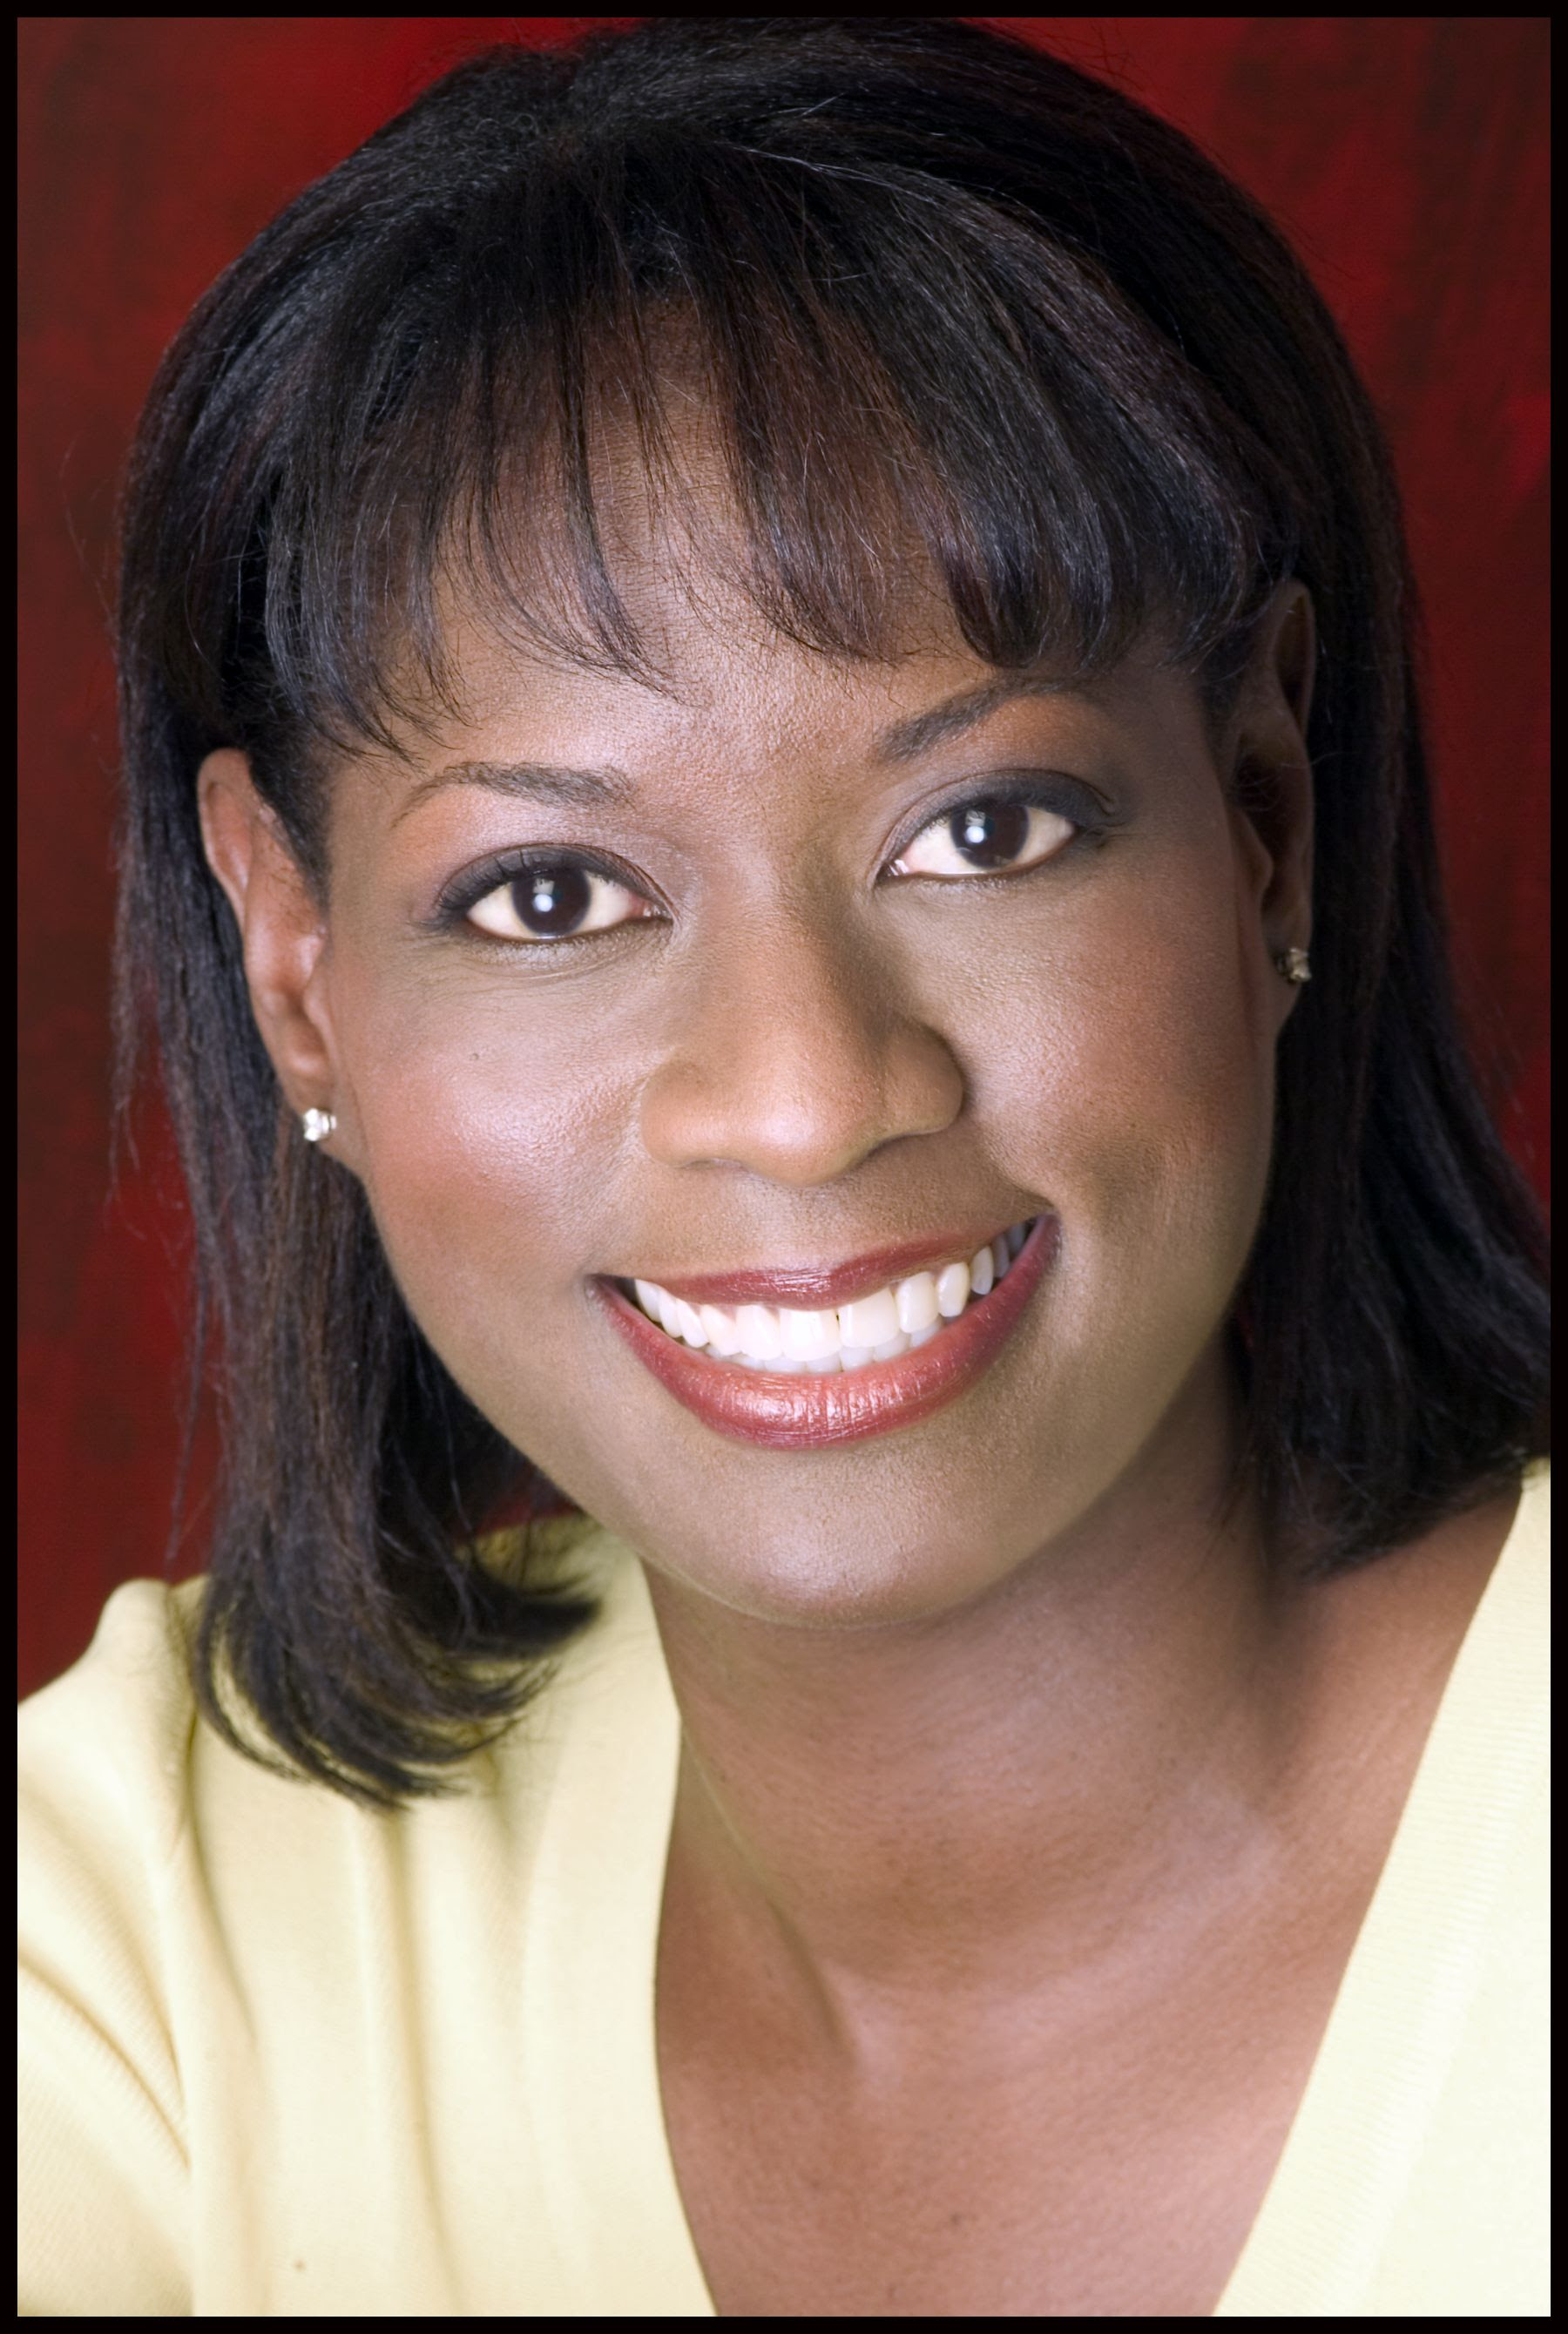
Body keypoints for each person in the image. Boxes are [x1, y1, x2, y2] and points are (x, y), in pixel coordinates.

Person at [18, 17, 1548, 2317]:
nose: (809, 1093)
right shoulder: (156, 1920)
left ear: (1262, 828)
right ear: (299, 968)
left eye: (984, 828)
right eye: (550, 894)